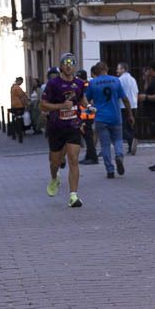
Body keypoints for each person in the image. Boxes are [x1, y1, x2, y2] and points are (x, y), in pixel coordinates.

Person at [40, 52, 87, 207]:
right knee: (55, 162)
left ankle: (73, 196)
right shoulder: (53, 84)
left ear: (75, 66)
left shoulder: (79, 83)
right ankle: (54, 178)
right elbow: (43, 105)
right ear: (61, 66)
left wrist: (88, 106)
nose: (68, 66)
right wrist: (61, 106)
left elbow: (81, 98)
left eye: (71, 63)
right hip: (56, 127)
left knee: (73, 159)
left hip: (73, 126)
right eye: (65, 63)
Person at [86, 61, 132, 178]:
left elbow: (86, 101)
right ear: (107, 68)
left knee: (105, 144)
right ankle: (119, 155)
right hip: (115, 116)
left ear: (97, 70)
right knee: (118, 139)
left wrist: (90, 110)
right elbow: (125, 99)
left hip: (101, 118)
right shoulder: (116, 80)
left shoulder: (93, 83)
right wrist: (130, 114)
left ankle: (110, 170)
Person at [76, 69, 99, 165]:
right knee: (87, 137)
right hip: (87, 115)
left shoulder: (84, 87)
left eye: (78, 77)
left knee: (88, 137)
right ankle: (89, 156)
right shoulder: (88, 85)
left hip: (86, 116)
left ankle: (93, 157)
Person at [116, 63, 139, 154]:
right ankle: (130, 146)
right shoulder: (133, 79)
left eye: (118, 68)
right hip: (134, 105)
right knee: (130, 127)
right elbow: (136, 92)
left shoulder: (120, 80)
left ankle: (131, 139)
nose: (117, 70)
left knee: (123, 128)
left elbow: (117, 93)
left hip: (123, 106)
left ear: (123, 69)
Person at [10, 76, 28, 143]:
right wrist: (25, 104)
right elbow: (22, 97)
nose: (21, 83)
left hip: (14, 105)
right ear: (19, 81)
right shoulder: (17, 88)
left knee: (17, 119)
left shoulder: (13, 87)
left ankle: (17, 132)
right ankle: (20, 132)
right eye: (21, 82)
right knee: (20, 119)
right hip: (19, 105)